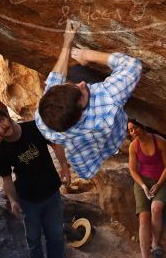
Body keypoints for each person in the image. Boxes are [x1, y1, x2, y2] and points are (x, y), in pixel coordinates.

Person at [35, 20, 142, 179]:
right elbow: (132, 66)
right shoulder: (107, 99)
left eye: (71, 86)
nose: (82, 84)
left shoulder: (44, 121)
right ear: (79, 114)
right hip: (114, 130)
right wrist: (89, 55)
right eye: (82, 93)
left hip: (92, 148)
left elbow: (54, 81)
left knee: (77, 72)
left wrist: (67, 43)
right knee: (79, 71)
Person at [0, 106, 71, 258]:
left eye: (2, 120)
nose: (3, 126)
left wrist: (64, 166)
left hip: (51, 193)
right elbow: (6, 180)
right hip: (28, 201)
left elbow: (55, 143)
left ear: (7, 116)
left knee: (56, 236)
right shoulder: (2, 152)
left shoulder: (34, 127)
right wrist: (13, 200)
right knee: (33, 239)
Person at [127, 119, 166, 258]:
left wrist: (158, 184)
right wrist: (143, 186)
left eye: (135, 128)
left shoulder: (160, 142)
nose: (133, 132)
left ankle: (155, 243)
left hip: (160, 180)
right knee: (144, 217)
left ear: (143, 126)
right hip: (143, 182)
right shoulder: (133, 146)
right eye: (131, 130)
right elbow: (133, 170)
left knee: (156, 208)